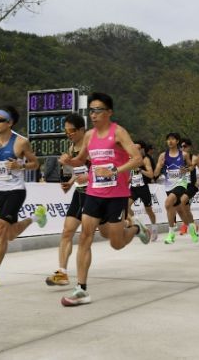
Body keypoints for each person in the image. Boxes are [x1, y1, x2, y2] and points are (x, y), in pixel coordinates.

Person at [59, 93, 150, 306]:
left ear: (109, 112)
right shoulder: (89, 136)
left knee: (116, 243)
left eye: (98, 110)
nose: (93, 114)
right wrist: (69, 161)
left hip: (116, 196)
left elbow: (137, 159)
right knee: (85, 236)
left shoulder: (118, 132)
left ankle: (136, 228)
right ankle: (81, 289)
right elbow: (81, 160)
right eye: (91, 110)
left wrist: (115, 171)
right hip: (93, 193)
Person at [0, 106, 46, 289]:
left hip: (16, 190)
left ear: (10, 123)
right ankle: (36, 217)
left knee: (0, 229)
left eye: (0, 120)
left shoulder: (20, 142)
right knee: (10, 234)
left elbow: (35, 163)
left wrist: (20, 166)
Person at [45, 114, 90, 286]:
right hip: (80, 194)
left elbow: (97, 169)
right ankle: (62, 272)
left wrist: (86, 177)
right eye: (66, 131)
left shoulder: (91, 145)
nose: (68, 134)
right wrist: (70, 183)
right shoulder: (72, 148)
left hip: (96, 195)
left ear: (81, 129)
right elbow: (78, 170)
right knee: (67, 232)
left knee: (112, 234)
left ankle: (133, 226)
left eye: (71, 130)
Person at [154, 132, 196, 244]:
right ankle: (191, 229)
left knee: (168, 203)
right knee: (180, 210)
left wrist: (187, 169)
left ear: (177, 141)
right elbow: (155, 173)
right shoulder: (163, 156)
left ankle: (171, 233)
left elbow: (191, 166)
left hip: (181, 183)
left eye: (172, 139)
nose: (170, 141)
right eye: (168, 139)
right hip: (168, 185)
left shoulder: (184, 155)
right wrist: (160, 165)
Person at [129, 140, 159, 241]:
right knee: (125, 206)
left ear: (142, 149)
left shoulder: (146, 159)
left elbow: (151, 175)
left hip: (143, 188)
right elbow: (132, 173)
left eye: (137, 149)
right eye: (134, 148)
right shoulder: (132, 159)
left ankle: (154, 229)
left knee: (148, 210)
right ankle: (139, 224)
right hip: (133, 188)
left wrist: (140, 170)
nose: (135, 150)